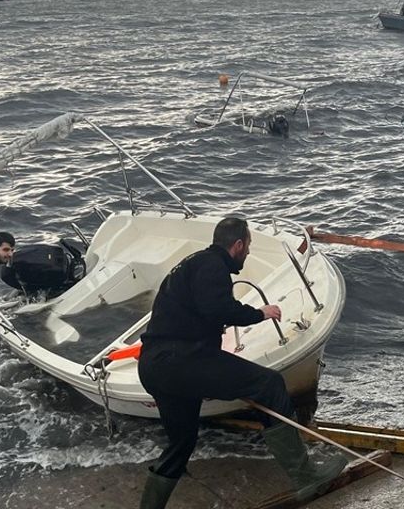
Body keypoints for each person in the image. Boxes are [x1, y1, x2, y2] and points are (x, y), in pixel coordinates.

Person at [137, 217, 345, 509]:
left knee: (181, 444)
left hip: (154, 366)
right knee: (269, 384)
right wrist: (259, 313)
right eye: (247, 246)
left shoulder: (190, 264)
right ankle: (306, 476)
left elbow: (193, 314)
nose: (247, 253)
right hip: (182, 361)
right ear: (237, 245)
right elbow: (217, 309)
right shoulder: (214, 266)